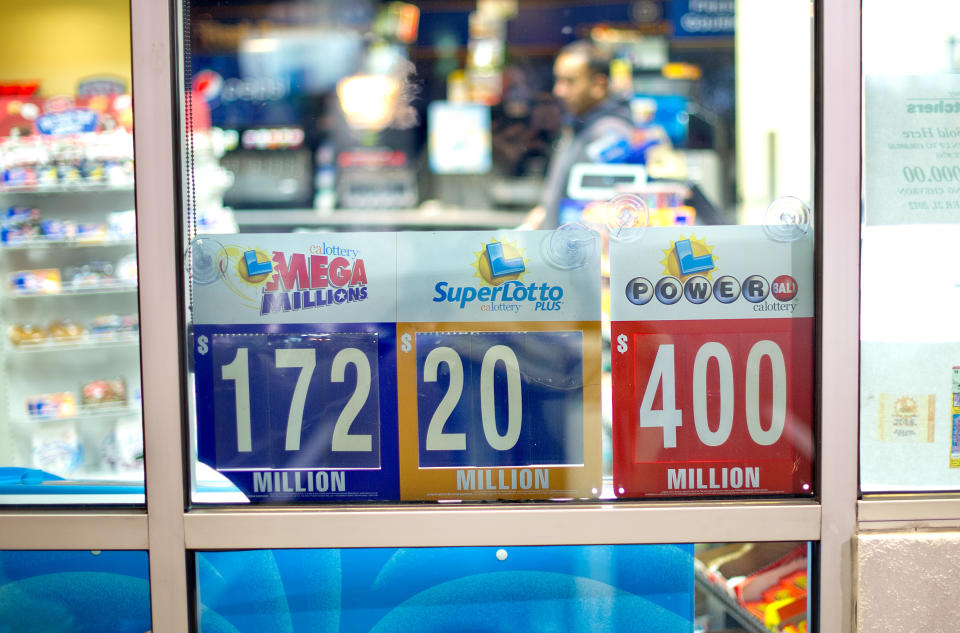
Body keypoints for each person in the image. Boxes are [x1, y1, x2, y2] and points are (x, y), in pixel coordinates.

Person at [521, 41, 636, 229]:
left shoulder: (610, 134)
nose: (558, 91)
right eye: (558, 80)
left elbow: (598, 211)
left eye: (570, 81)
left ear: (599, 84)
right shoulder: (579, 125)